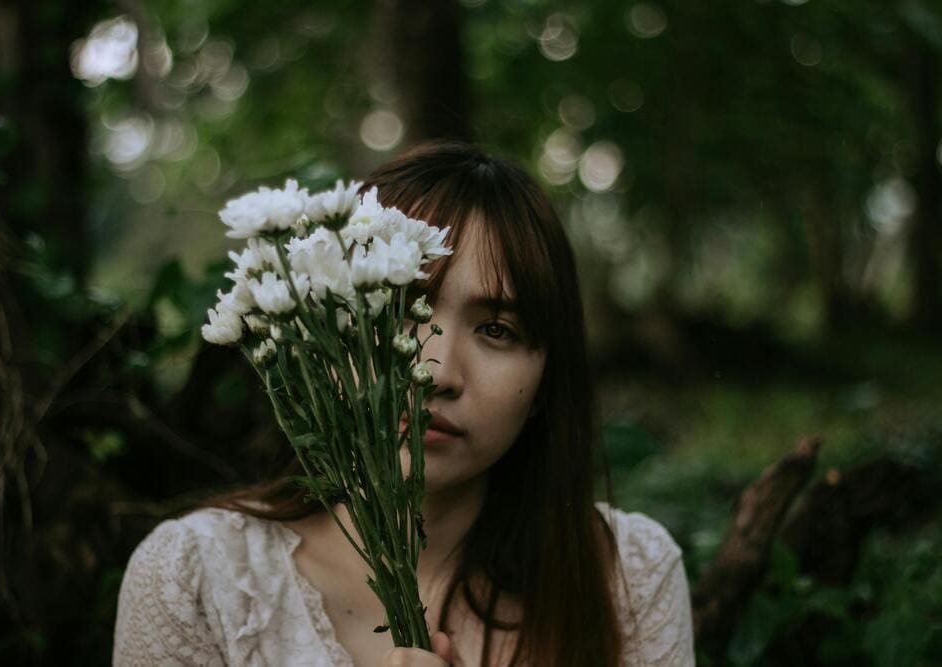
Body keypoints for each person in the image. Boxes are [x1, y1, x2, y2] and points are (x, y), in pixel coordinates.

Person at [112, 141, 695, 666]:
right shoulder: (196, 581)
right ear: (322, 325)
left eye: (496, 330)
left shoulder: (627, 576)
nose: (433, 371)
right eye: (397, 306)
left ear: (546, 380)